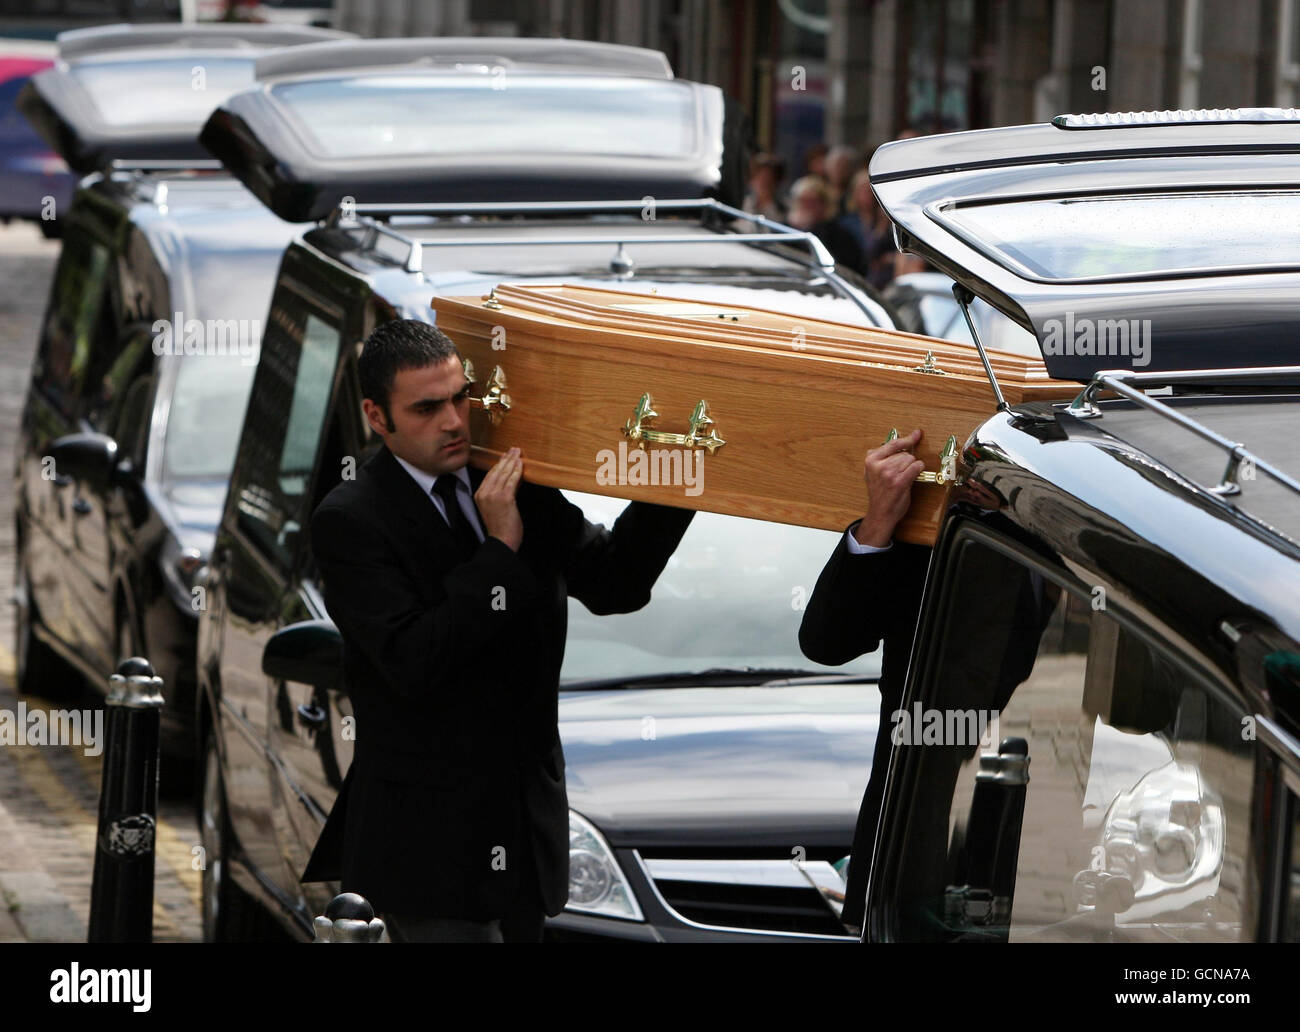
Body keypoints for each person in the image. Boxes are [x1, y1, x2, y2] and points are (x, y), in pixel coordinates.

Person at [300, 319, 694, 942]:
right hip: (427, 846)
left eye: (460, 398)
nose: (454, 421)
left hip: (521, 835)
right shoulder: (351, 519)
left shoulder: (517, 486)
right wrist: (498, 552)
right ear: (379, 417)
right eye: (426, 408)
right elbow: (415, 660)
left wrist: (677, 478)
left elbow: (617, 584)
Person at [799, 429, 1054, 933]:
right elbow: (828, 643)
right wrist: (879, 523)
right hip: (916, 856)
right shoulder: (932, 541)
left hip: (1054, 857)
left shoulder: (1078, 545)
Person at [786, 175, 863, 272]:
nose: (807, 206)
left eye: (812, 202)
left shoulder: (839, 234)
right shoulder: (786, 229)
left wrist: (811, 228)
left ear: (824, 204)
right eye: (803, 201)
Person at [743, 152, 787, 223]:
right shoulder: (743, 204)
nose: (762, 184)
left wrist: (766, 205)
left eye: (768, 180)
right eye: (759, 178)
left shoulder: (785, 209)